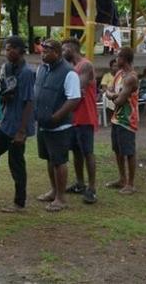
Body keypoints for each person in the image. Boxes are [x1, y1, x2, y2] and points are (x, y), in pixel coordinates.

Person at [34, 39, 81, 211]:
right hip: (43, 123)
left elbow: (74, 98)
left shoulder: (69, 73)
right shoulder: (41, 69)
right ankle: (53, 190)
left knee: (59, 161)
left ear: (58, 53)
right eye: (42, 49)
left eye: (48, 50)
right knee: (48, 158)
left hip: (59, 126)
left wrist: (56, 117)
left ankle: (61, 198)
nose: (43, 52)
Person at [0, 36, 35, 213]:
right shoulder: (8, 67)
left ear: (20, 50)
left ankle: (19, 202)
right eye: (6, 49)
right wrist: (4, 96)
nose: (8, 52)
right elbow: (4, 90)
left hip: (18, 124)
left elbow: (29, 103)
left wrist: (22, 131)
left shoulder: (26, 72)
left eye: (12, 49)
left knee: (16, 163)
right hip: (6, 121)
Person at [63, 39, 99, 204]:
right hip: (73, 117)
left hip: (85, 116)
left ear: (71, 49)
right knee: (76, 152)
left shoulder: (85, 65)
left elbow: (75, 91)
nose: (62, 53)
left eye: (64, 49)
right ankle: (79, 183)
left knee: (87, 152)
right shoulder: (71, 68)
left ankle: (91, 188)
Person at [106, 47, 139, 194]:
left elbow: (119, 100)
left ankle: (130, 184)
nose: (116, 59)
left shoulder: (131, 77)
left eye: (118, 57)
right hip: (116, 118)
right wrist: (113, 95)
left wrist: (113, 95)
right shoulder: (119, 74)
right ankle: (122, 179)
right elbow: (108, 90)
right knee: (118, 150)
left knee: (128, 151)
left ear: (124, 59)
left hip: (127, 119)